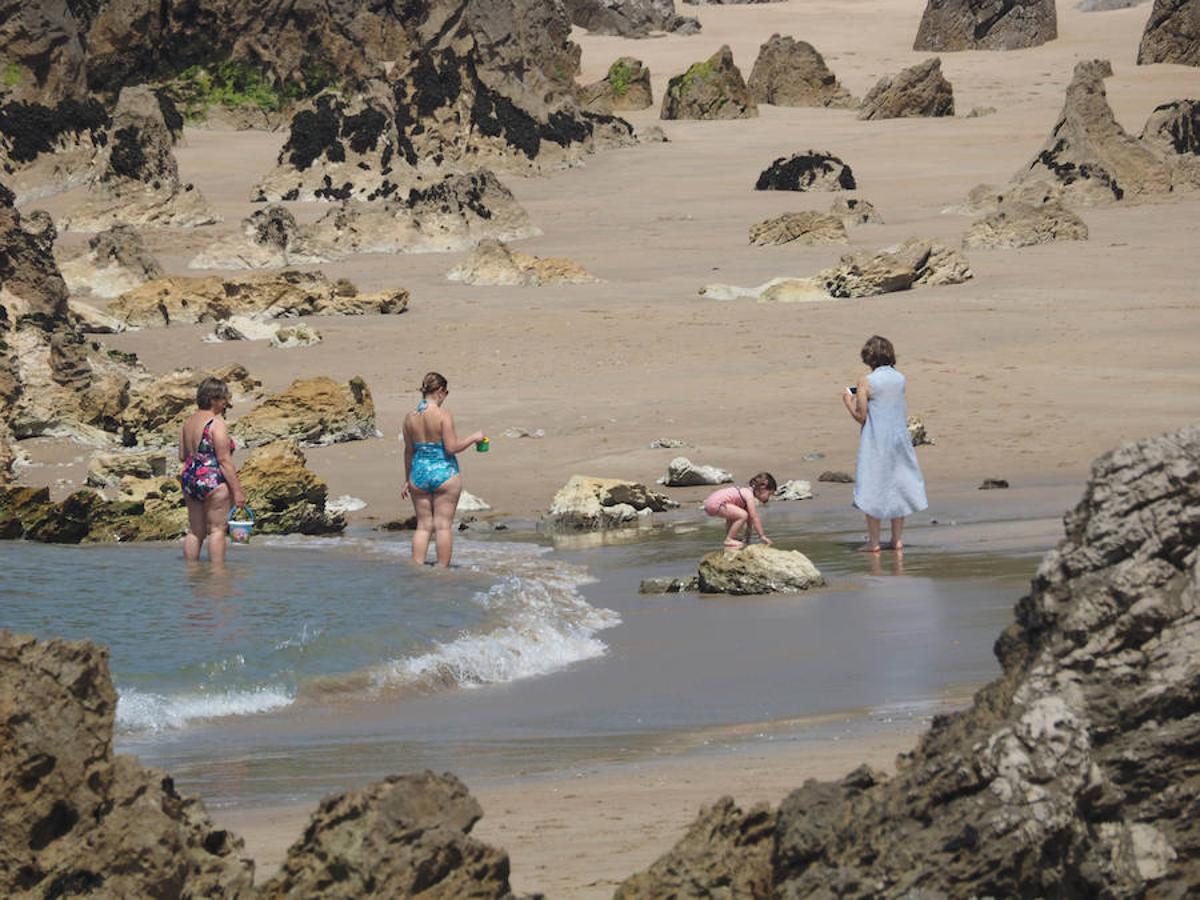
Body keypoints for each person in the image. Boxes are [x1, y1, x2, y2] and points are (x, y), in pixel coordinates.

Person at [843, 335, 928, 553]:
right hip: (899, 439)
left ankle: (873, 542)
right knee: (898, 484)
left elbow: (862, 416)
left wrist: (848, 403)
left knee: (873, 485)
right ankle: (896, 540)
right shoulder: (900, 378)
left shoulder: (866, 381)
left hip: (876, 440)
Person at [401, 372, 484, 567]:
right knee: (443, 526)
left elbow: (408, 451)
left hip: (418, 474)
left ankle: (417, 568)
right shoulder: (443, 415)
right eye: (445, 393)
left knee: (423, 527)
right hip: (444, 473)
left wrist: (407, 479)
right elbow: (451, 448)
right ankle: (442, 571)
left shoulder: (409, 418)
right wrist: (474, 438)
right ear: (439, 391)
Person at [179, 376, 246, 564]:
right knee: (217, 530)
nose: (226, 404)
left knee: (195, 531)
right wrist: (238, 491)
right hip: (213, 480)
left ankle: (192, 573)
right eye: (224, 399)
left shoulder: (188, 422)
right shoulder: (216, 423)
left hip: (190, 478)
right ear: (213, 399)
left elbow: (183, 455)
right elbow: (224, 460)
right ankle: (217, 576)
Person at [703, 473, 777, 549]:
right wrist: (762, 536)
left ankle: (732, 538)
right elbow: (754, 517)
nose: (768, 499)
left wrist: (747, 540)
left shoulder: (745, 497)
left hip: (711, 503)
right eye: (769, 494)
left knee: (735, 516)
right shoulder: (748, 494)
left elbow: (749, 522)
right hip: (716, 503)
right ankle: (729, 539)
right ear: (762, 487)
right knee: (743, 515)